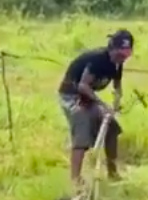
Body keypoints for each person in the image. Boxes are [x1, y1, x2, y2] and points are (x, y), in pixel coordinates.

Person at [57, 29, 134, 188]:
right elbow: (83, 85)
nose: (123, 59)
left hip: (87, 97)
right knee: (82, 125)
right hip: (71, 95)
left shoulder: (117, 64)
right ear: (112, 48)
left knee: (112, 127)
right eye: (120, 55)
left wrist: (116, 103)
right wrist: (102, 105)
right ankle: (75, 181)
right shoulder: (98, 60)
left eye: (126, 55)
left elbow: (117, 86)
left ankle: (113, 172)